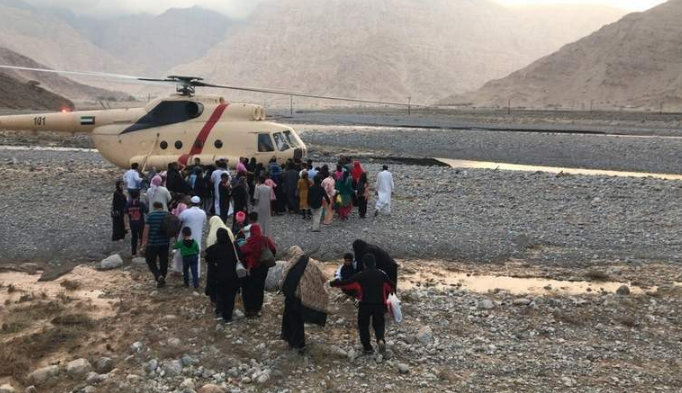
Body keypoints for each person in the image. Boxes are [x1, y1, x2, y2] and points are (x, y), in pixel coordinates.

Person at [331, 254, 395, 355]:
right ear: (374, 263)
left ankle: (367, 347)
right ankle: (380, 339)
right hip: (379, 304)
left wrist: (334, 283)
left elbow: (348, 284)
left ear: (364, 264)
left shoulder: (360, 275)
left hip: (365, 304)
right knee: (379, 323)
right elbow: (391, 287)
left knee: (363, 325)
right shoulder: (381, 274)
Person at [280, 249, 330, 353]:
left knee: (291, 318)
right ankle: (299, 344)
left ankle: (293, 342)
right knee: (298, 320)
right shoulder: (310, 262)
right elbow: (322, 277)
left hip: (291, 296)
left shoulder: (289, 264)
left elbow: (283, 280)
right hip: (303, 297)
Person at [205, 228, 242, 324]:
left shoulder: (215, 248)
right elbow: (241, 256)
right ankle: (228, 317)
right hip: (232, 276)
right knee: (230, 296)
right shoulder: (234, 247)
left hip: (219, 277)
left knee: (219, 294)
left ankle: (219, 311)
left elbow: (207, 257)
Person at [239, 224, 276, 318]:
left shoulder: (249, 241)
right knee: (259, 289)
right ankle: (257, 309)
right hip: (262, 268)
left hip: (250, 269)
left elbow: (242, 252)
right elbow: (273, 249)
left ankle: (248, 310)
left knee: (247, 289)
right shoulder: (264, 239)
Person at [141, 201, 170, 288]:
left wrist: (143, 243)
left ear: (154, 207)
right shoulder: (167, 215)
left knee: (150, 261)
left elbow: (146, 230)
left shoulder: (151, 216)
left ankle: (158, 276)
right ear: (162, 206)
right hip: (165, 243)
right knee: (164, 262)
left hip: (152, 243)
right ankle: (162, 279)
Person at [179, 196, 207, 277]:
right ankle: (196, 274)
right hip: (197, 235)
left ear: (191, 203)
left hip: (186, 235)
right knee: (196, 253)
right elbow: (204, 225)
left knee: (184, 253)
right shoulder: (203, 213)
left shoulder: (186, 212)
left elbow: (179, 219)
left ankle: (183, 272)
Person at [125, 189, 148, 257]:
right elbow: (147, 211)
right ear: (138, 195)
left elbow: (125, 214)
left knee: (134, 238)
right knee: (142, 238)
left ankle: (133, 253)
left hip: (132, 224)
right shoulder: (141, 204)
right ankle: (142, 251)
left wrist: (126, 225)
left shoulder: (128, 204)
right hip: (141, 223)